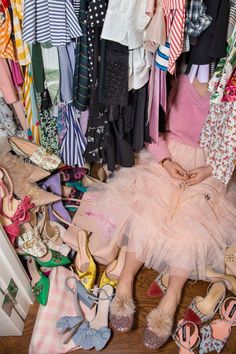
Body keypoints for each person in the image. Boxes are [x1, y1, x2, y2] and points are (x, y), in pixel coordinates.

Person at [76, 74, 236, 349]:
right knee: (150, 210)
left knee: (191, 226)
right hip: (167, 156)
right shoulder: (176, 67)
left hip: (210, 167)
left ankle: (171, 298)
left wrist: (209, 169)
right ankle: (125, 281)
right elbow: (149, 122)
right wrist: (164, 160)